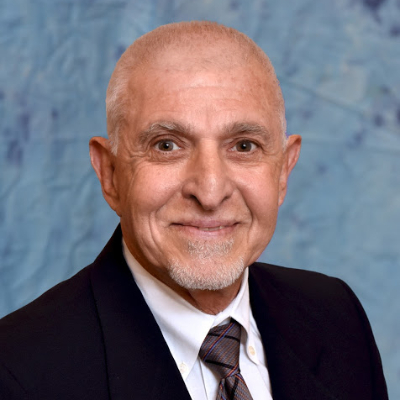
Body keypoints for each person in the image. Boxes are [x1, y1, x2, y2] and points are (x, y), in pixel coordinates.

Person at [0, 21, 388, 400]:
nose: (210, 192)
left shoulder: (336, 316)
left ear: (283, 171)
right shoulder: (17, 372)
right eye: (167, 145)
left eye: (244, 146)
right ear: (110, 174)